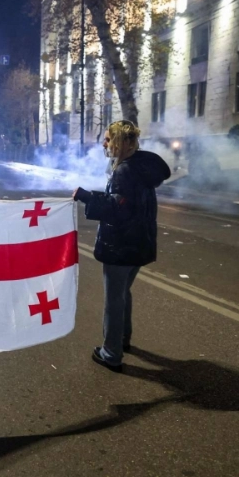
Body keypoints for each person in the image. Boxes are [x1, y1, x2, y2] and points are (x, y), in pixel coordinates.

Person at [73, 121, 171, 373]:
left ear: (122, 142)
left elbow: (116, 209)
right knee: (123, 293)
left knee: (114, 300)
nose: (104, 144)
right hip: (139, 242)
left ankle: (111, 353)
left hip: (121, 245)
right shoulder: (141, 166)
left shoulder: (124, 170)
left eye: (108, 139)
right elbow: (125, 202)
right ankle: (123, 339)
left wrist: (86, 196)